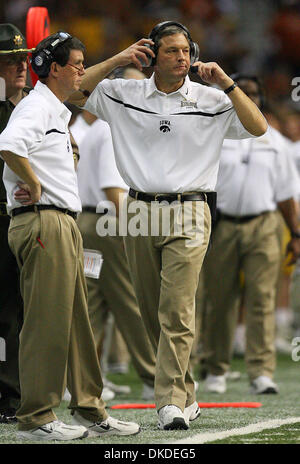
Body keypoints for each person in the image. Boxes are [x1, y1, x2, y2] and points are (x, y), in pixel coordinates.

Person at [68, 21, 268, 430]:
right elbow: (71, 91)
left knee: (176, 309)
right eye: (173, 51)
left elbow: (258, 126)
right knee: (150, 312)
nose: (182, 57)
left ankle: (169, 403)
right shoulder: (123, 92)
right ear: (152, 56)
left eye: (186, 50)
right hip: (138, 210)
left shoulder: (212, 98)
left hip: (191, 210)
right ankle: (186, 394)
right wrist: (120, 58)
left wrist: (228, 82)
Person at [0, 31, 139, 440]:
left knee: (77, 320)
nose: (82, 69)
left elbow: (20, 147)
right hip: (43, 221)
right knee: (46, 322)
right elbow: (8, 145)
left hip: (62, 222)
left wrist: (118, 57)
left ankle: (89, 407)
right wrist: (33, 184)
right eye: (76, 63)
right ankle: (37, 416)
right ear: (55, 69)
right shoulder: (35, 108)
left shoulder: (53, 108)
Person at [201, 74, 300, 395]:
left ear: (261, 100)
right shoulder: (216, 136)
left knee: (262, 297)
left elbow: (287, 193)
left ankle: (261, 370)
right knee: (220, 299)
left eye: (255, 93)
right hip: (224, 223)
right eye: (243, 93)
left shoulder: (277, 142)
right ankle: (216, 367)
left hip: (265, 223)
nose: (250, 98)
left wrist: (295, 233)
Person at [75, 110, 157, 398]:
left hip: (87, 222)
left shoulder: (97, 128)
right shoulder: (112, 129)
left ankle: (80, 381)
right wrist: (129, 231)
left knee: (92, 304)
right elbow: (113, 188)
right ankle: (154, 377)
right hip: (108, 222)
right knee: (131, 298)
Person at [0, 23, 33, 424]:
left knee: (14, 312)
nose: (19, 67)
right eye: (10, 61)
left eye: (22, 59)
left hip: (17, 218)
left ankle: (12, 393)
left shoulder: (28, 106)